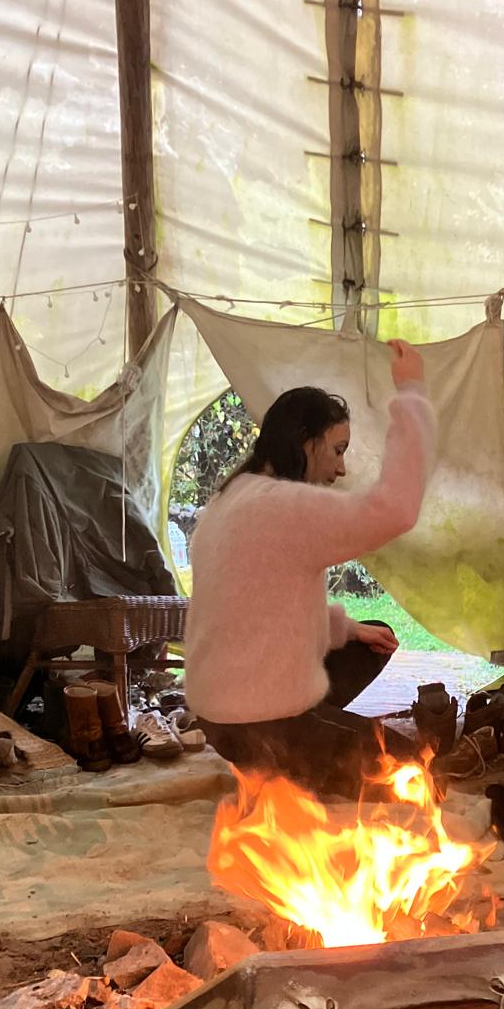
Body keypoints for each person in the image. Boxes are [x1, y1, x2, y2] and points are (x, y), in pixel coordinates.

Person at [186, 339, 434, 795]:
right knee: (419, 773)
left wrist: (349, 629)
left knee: (370, 638)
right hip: (256, 723)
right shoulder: (282, 506)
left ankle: (304, 743)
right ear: (306, 442)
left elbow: (257, 613)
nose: (341, 469)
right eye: (338, 450)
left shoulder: (230, 498)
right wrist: (412, 393)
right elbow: (396, 509)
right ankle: (290, 755)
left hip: (217, 713)